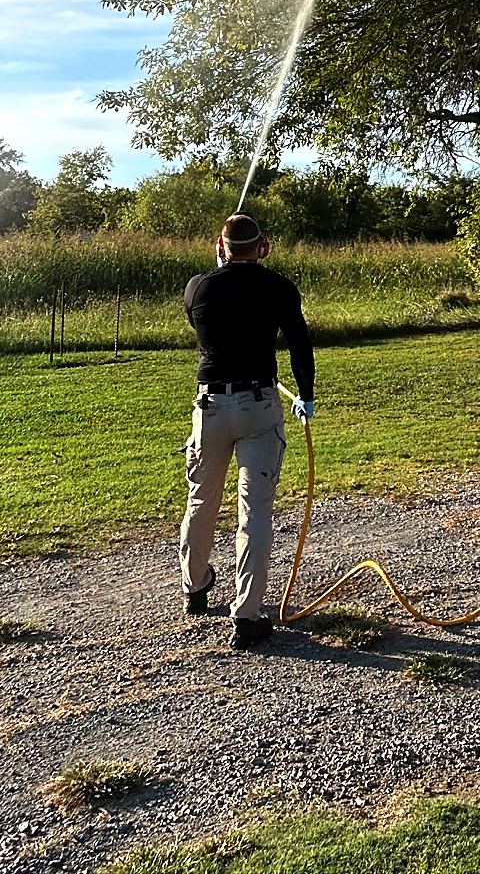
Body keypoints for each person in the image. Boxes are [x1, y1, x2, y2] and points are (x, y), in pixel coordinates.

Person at [179, 212, 316, 649]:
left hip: (212, 405)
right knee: (254, 511)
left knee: (202, 498)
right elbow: (299, 342)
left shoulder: (199, 287)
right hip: (259, 406)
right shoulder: (278, 287)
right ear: (265, 248)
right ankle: (247, 615)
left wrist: (218, 267)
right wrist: (306, 395)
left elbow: (199, 315)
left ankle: (195, 588)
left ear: (220, 247)